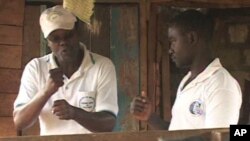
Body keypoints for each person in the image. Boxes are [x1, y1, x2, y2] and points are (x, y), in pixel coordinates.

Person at [13, 5, 118, 135]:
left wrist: (75, 113)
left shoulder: (102, 66)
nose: (63, 42)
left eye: (68, 36)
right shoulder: (35, 68)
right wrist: (46, 92)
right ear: (48, 42)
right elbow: (20, 122)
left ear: (78, 32)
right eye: (55, 39)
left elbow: (108, 124)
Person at [130, 9, 242, 131]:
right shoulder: (187, 81)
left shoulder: (220, 85)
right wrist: (150, 117)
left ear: (191, 38)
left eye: (173, 41)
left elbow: (218, 137)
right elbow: (178, 133)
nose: (170, 50)